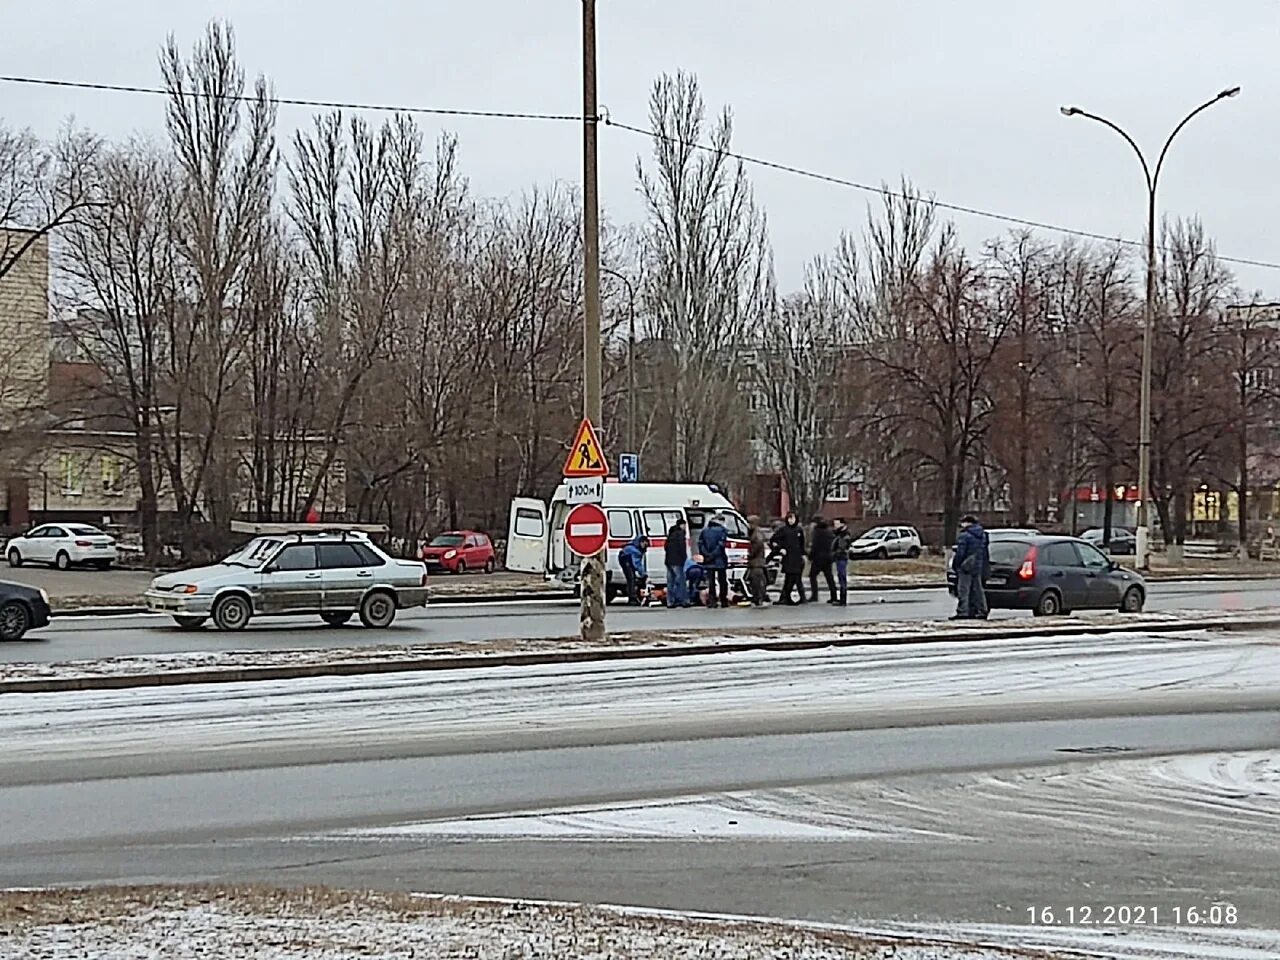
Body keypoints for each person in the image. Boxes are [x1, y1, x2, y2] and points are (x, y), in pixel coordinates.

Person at [951, 515, 990, 620]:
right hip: (977, 565)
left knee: (963, 590)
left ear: (968, 523)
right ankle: (982, 610)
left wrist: (956, 565)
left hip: (965, 566)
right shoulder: (982, 535)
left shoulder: (965, 535)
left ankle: (963, 612)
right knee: (977, 590)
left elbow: (960, 553)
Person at [769, 511, 807, 605]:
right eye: (789, 518)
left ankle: (788, 597)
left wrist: (803, 554)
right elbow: (773, 541)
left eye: (793, 518)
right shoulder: (783, 530)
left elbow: (802, 544)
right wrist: (779, 549)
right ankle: (787, 597)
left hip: (797, 558)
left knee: (795, 578)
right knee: (791, 578)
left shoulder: (799, 530)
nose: (791, 521)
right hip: (788, 558)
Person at [697, 514, 730, 609]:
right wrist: (713, 555)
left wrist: (706, 554)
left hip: (708, 561)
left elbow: (700, 544)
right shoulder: (722, 531)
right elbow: (721, 545)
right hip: (720, 560)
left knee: (711, 582)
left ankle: (712, 601)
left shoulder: (704, 531)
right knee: (722, 581)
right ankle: (723, 600)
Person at [808, 516, 837, 603]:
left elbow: (815, 546)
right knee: (829, 577)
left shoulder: (817, 532)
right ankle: (834, 595)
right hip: (828, 557)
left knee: (812, 576)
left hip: (818, 558)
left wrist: (810, 556)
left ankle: (814, 595)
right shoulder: (830, 532)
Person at [664, 517, 690, 608]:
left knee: (670, 582)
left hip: (668, 560)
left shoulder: (671, 534)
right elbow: (682, 548)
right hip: (677, 561)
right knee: (681, 581)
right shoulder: (680, 534)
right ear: (681, 525)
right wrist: (684, 558)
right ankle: (684, 601)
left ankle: (670, 601)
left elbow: (666, 547)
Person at [745, 515, 770, 607]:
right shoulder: (756, 533)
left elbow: (756, 546)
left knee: (757, 582)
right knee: (757, 581)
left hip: (757, 562)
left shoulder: (756, 534)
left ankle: (758, 598)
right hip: (758, 562)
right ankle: (759, 598)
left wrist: (750, 554)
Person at [618, 534, 649, 606]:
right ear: (641, 542)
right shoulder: (635, 551)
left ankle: (632, 596)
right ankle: (632, 598)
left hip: (625, 561)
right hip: (626, 562)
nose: (645, 546)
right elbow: (637, 564)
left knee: (631, 579)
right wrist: (644, 574)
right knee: (631, 579)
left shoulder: (632, 546)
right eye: (644, 544)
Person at [831, 517, 852, 606]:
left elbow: (842, 548)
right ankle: (842, 599)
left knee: (842, 578)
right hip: (839, 558)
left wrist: (834, 554)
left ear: (842, 524)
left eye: (837, 524)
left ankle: (843, 600)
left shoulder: (844, 535)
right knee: (841, 577)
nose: (835, 526)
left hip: (841, 558)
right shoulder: (839, 534)